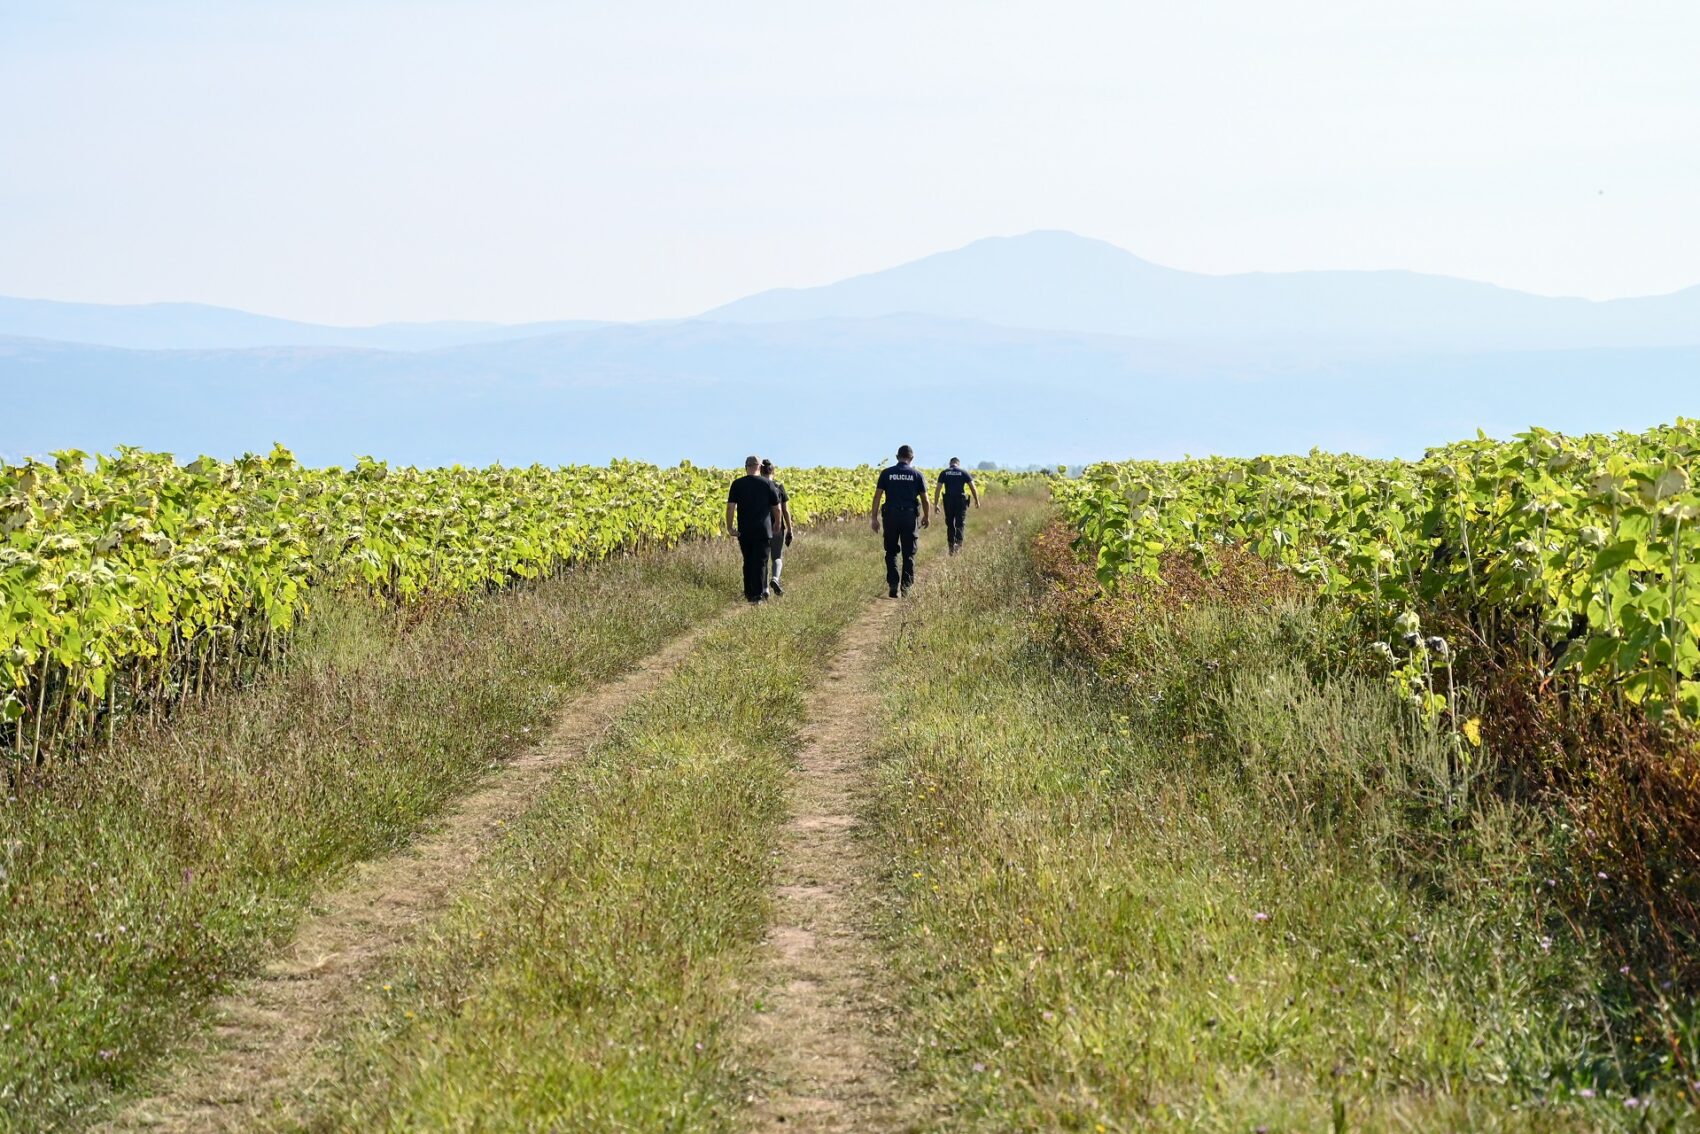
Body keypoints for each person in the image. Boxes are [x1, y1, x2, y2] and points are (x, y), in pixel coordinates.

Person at [870, 444, 929, 598]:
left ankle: (893, 583)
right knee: (909, 553)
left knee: (891, 551)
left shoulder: (886, 473)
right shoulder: (917, 475)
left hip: (890, 517)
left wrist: (874, 518)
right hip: (909, 517)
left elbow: (877, 496)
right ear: (912, 458)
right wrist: (926, 516)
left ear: (897, 457)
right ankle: (906, 588)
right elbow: (925, 499)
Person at [726, 455, 782, 603]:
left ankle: (749, 594)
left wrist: (730, 527)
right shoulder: (768, 484)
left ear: (746, 467)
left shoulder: (737, 484)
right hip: (763, 530)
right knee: (761, 562)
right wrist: (777, 523)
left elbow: (731, 507)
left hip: (745, 530)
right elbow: (776, 508)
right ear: (759, 467)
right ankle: (757, 596)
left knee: (748, 561)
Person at [759, 459, 794, 596]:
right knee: (777, 556)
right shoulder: (779, 486)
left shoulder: (758, 486)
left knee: (764, 559)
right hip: (777, 527)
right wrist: (790, 530)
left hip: (762, 527)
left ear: (761, 471)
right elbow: (785, 510)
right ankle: (775, 578)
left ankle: (765, 589)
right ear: (773, 471)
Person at [934, 456, 979, 554]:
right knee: (960, 523)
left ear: (950, 464)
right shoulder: (963, 472)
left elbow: (938, 489)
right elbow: (973, 487)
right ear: (958, 464)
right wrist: (977, 500)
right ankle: (958, 545)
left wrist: (936, 504)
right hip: (960, 501)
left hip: (948, 501)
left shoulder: (944, 473)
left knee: (950, 524)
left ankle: (951, 547)